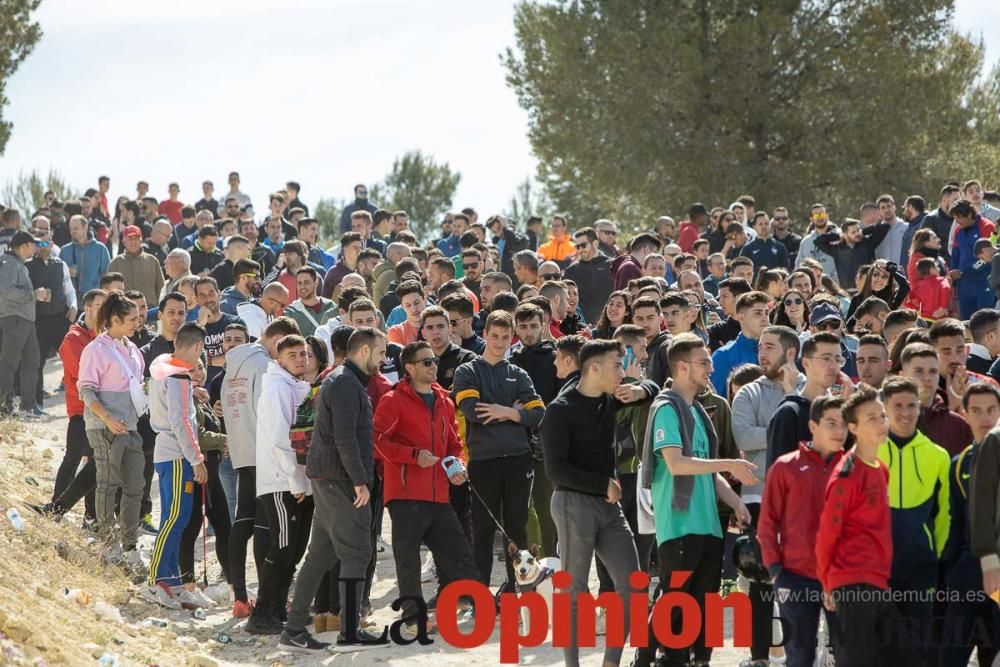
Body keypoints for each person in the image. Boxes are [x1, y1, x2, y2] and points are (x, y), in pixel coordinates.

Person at [633, 334, 755, 667]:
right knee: (676, 602)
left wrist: (735, 502)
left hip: (708, 524)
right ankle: (649, 659)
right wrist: (729, 464)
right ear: (683, 367)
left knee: (705, 603)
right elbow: (677, 463)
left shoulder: (700, 411)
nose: (711, 368)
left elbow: (707, 471)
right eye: (704, 362)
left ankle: (699, 660)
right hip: (679, 523)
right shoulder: (666, 409)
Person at [542, 339, 658, 666]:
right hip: (572, 503)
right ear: (594, 369)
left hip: (609, 506)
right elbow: (555, 469)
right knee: (574, 591)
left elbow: (652, 385)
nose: (623, 373)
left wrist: (640, 390)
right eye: (617, 367)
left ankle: (611, 662)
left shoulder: (610, 399)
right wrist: (601, 483)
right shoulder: (559, 410)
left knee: (634, 584)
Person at [281, 327, 388, 649]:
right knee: (358, 552)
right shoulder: (344, 383)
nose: (384, 360)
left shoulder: (344, 380)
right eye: (381, 353)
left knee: (320, 556)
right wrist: (359, 481)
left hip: (330, 478)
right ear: (365, 351)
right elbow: (345, 437)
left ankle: (294, 630)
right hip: (340, 480)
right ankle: (350, 632)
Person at [373, 341, 481, 636]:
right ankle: (412, 618)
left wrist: (457, 466)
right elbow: (378, 441)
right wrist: (413, 456)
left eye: (433, 361)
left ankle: (481, 604)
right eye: (426, 362)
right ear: (409, 368)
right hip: (406, 494)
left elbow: (455, 445)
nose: (433, 366)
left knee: (458, 551)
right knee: (408, 559)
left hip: (439, 492)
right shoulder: (392, 400)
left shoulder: (445, 401)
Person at [816, 385, 920, 665]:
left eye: (882, 416)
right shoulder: (845, 476)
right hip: (851, 583)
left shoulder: (880, 469)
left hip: (877, 581)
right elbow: (827, 534)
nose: (882, 423)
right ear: (853, 427)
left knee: (904, 659)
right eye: (871, 418)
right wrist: (827, 584)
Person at [452, 310, 545, 591]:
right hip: (483, 460)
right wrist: (516, 411)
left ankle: (517, 590)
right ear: (485, 335)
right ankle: (480, 595)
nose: (500, 341)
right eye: (495, 336)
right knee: (483, 529)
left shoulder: (518, 373)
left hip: (519, 459)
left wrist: (503, 411)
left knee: (516, 528)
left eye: (506, 337)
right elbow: (473, 410)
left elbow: (539, 413)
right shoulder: (467, 371)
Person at [222, 316, 301, 617]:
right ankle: (270, 594)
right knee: (266, 527)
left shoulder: (234, 366)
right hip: (263, 453)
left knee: (242, 522)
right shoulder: (265, 366)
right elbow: (267, 414)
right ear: (276, 339)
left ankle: (240, 597)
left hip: (242, 450)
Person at [759, 395, 846, 667]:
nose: (838, 431)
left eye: (844, 424)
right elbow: (767, 521)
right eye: (831, 423)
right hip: (795, 577)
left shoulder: (855, 469)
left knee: (847, 656)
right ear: (812, 425)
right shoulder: (785, 467)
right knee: (799, 657)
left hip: (843, 578)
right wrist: (775, 570)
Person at [876, 376, 951, 658]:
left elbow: (946, 512)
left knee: (917, 646)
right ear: (884, 407)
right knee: (880, 646)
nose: (905, 412)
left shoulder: (938, 456)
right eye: (897, 406)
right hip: (877, 567)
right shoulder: (869, 452)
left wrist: (936, 551)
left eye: (911, 405)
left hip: (921, 566)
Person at [247, 334, 314, 636]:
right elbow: (278, 438)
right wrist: (295, 478)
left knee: (295, 549)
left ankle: (276, 607)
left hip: (298, 480)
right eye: (292, 355)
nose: (300, 359)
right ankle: (261, 613)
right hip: (279, 481)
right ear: (278, 359)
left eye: (303, 354)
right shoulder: (275, 387)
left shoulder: (298, 387)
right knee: (284, 546)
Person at [77, 292, 147, 571]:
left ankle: (129, 544)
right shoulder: (95, 349)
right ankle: (109, 544)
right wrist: (106, 418)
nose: (137, 323)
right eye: (131, 319)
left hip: (130, 425)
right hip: (104, 426)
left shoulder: (133, 348)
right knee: (108, 483)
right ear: (115, 320)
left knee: (135, 486)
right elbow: (86, 390)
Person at [143, 322, 209, 609]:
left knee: (174, 517)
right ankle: (156, 579)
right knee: (176, 518)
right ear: (196, 347)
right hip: (176, 454)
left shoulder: (162, 364)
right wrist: (197, 459)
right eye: (201, 350)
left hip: (165, 450)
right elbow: (181, 420)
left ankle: (171, 582)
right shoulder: (180, 375)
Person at [940, 383, 1000, 667]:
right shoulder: (958, 462)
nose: (984, 417)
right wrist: (951, 566)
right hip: (967, 574)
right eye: (976, 410)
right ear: (964, 413)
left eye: (991, 410)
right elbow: (956, 519)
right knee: (952, 653)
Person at [0, 231, 41, 416]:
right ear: (24, 246)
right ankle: (5, 408)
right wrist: (33, 295)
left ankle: (28, 405)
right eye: (33, 245)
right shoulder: (9, 264)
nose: (35, 249)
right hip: (15, 318)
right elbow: (6, 291)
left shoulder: (18, 264)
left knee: (32, 361)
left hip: (25, 320)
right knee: (9, 364)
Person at [710, 290, 769, 394]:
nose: (765, 318)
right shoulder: (723, 356)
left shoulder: (775, 351)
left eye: (767, 313)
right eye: (758, 313)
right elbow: (718, 402)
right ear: (741, 317)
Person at [564, 226, 613, 324]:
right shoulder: (571, 271)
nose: (580, 249)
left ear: (595, 243)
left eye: (583, 245)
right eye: (577, 247)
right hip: (581, 328)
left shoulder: (612, 265)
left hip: (608, 326)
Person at [62, 214, 111, 299]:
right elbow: (58, 275)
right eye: (71, 229)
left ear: (85, 227)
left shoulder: (100, 248)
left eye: (76, 228)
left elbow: (107, 275)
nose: (73, 231)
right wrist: (66, 273)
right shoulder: (64, 250)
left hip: (94, 298)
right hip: (71, 300)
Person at [283, 267, 336, 337]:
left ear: (316, 283)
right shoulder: (291, 312)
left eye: (306, 282)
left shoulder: (330, 306)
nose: (302, 287)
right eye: (299, 283)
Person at [386, 279, 425, 346]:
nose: (413, 309)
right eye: (408, 305)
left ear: (424, 300)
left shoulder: (437, 325)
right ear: (402, 307)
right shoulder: (397, 331)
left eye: (416, 303)